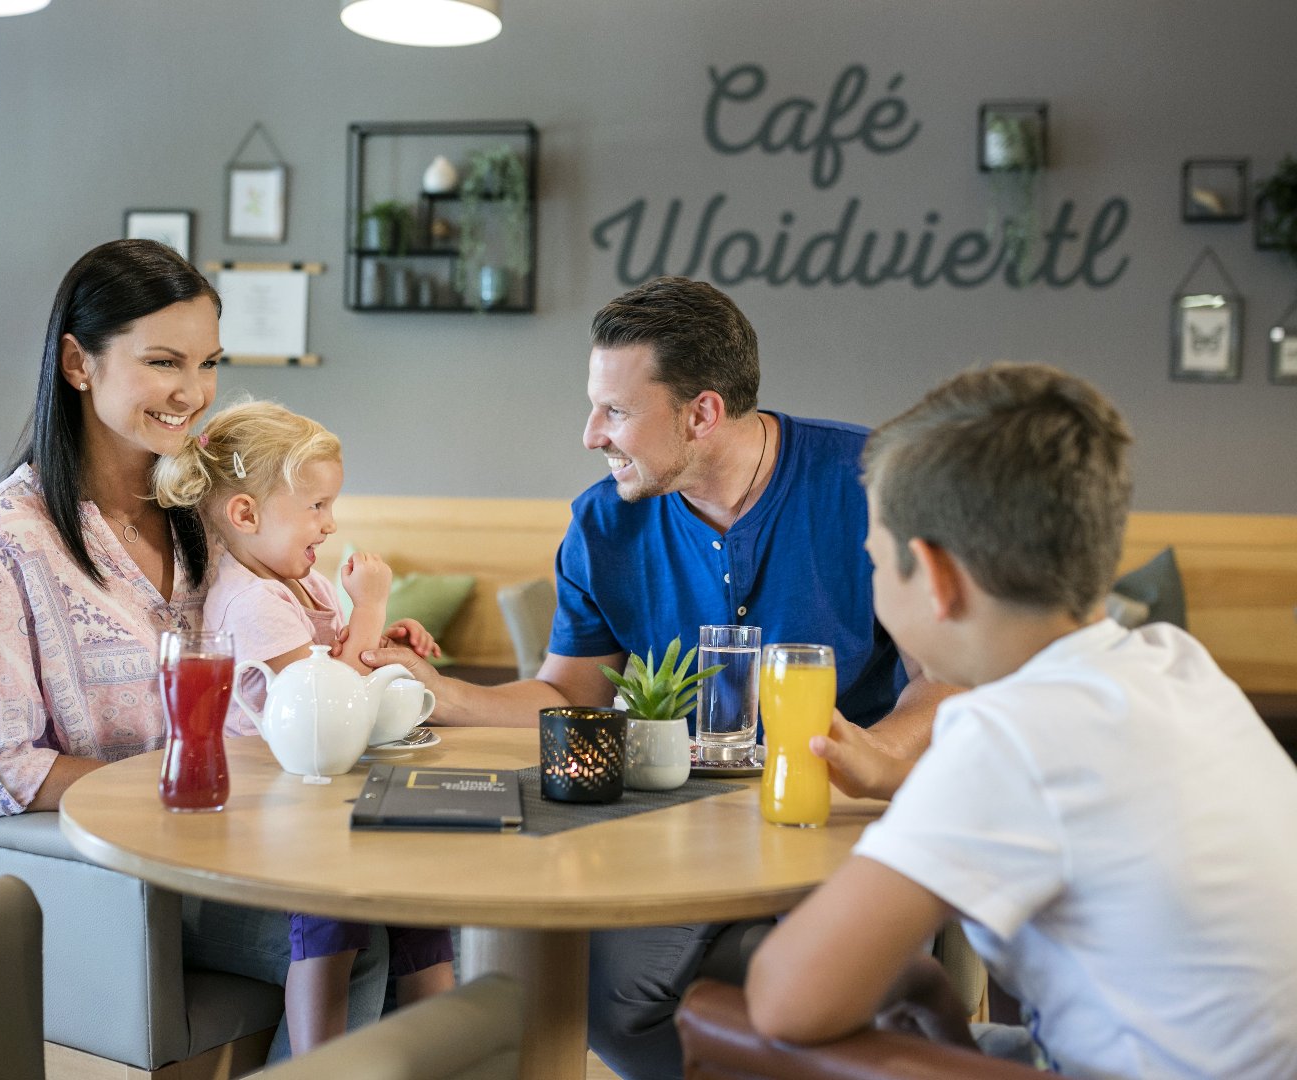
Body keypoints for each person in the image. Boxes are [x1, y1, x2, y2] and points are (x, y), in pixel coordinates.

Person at [362, 276, 953, 1079]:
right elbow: (573, 695)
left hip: (843, 823)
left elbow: (943, 678)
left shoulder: (869, 483)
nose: (588, 434)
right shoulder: (604, 522)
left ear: (701, 413)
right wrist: (437, 688)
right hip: (686, 827)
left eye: (615, 411)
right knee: (603, 994)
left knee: (843, 998)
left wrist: (871, 756)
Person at [746, 363, 1297, 1078]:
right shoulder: (1174, 663)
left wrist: (906, 981)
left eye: (875, 563)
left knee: (731, 1027)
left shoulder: (1013, 733)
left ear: (936, 578)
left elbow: (787, 1001)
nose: (872, 581)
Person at [0, 239, 387, 1057]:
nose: (193, 393)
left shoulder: (202, 519)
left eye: (208, 363)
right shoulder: (3, 543)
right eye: (163, 361)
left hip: (228, 857)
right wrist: (180, 792)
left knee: (409, 916)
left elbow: (276, 637)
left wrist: (355, 632)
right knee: (366, 935)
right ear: (77, 363)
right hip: (107, 883)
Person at [152, 400, 455, 1053]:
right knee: (337, 917)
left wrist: (377, 640)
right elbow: (328, 710)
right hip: (269, 832)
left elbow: (344, 664)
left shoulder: (302, 584)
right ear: (245, 514)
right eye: (316, 505)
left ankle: (444, 1062)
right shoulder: (249, 599)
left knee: (420, 908)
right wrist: (370, 607)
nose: (331, 522)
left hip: (316, 810)